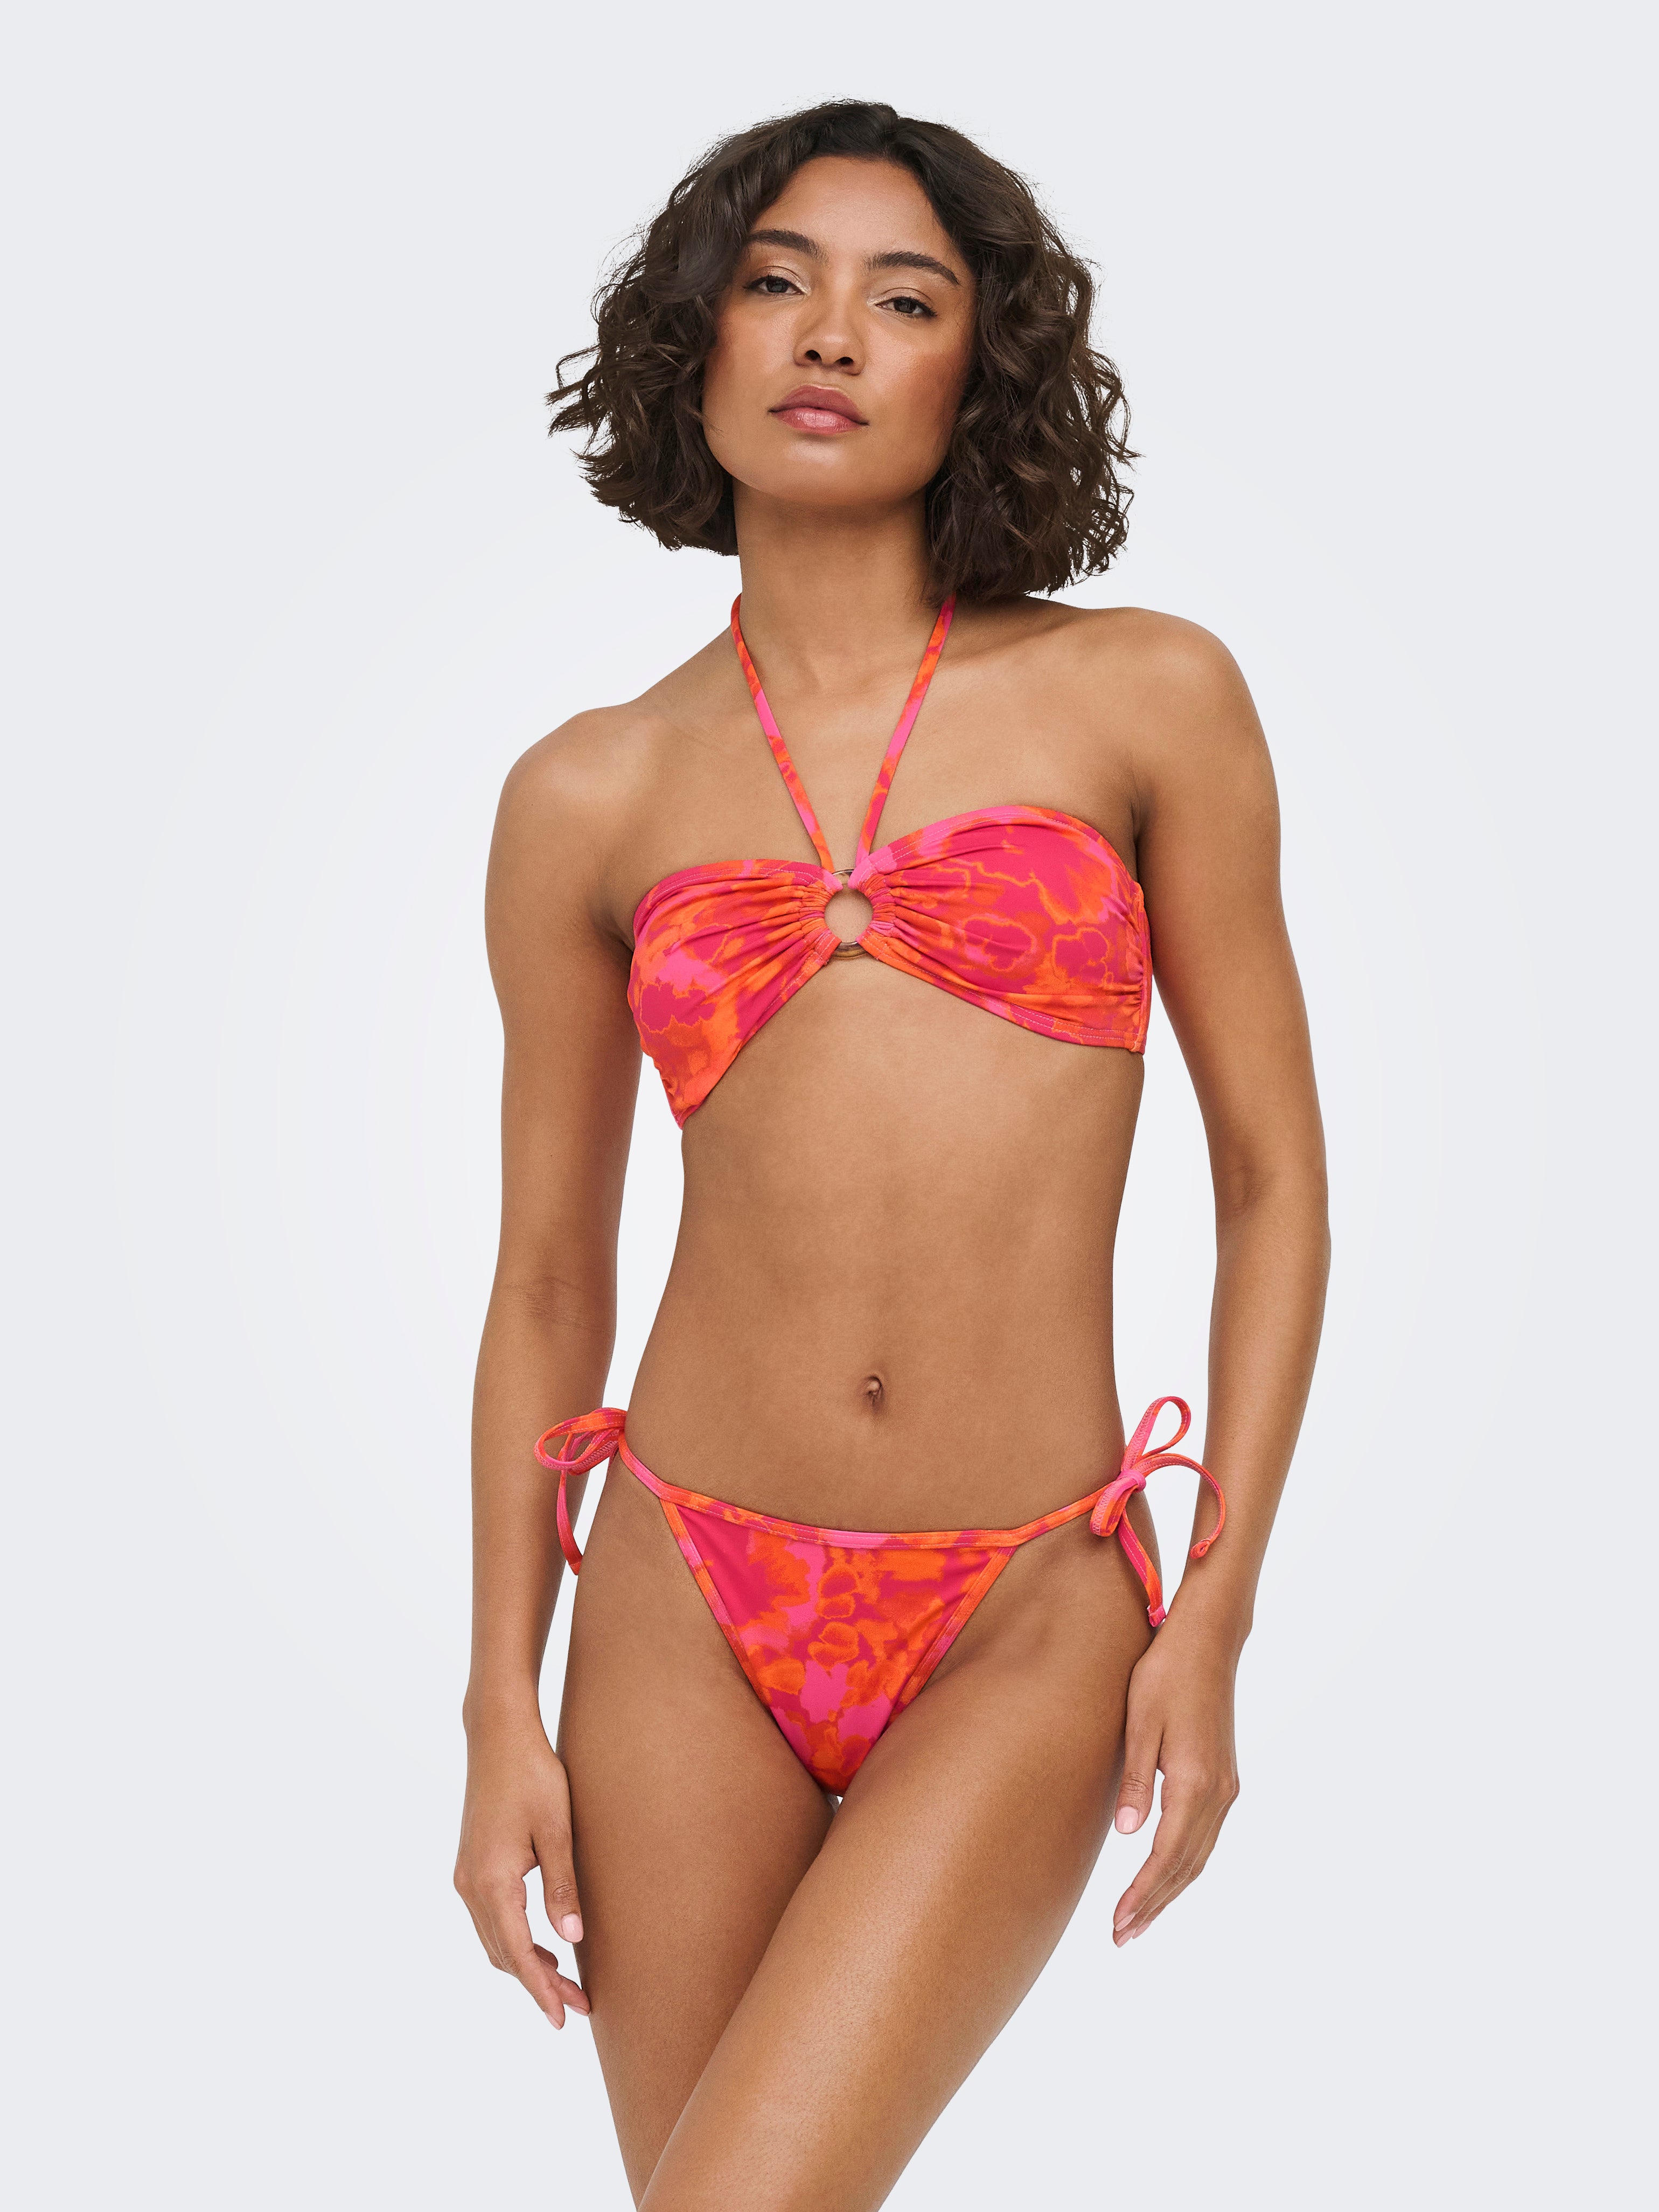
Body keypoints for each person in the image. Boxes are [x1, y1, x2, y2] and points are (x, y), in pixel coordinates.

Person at [454, 99, 1328, 2211]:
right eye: (776, 280)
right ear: (697, 340)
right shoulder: (585, 793)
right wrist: (498, 1706)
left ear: (979, 368)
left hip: (1023, 1603)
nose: (830, 333)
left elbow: (1271, 1179)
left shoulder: (1145, 697)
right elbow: (548, 1277)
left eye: (904, 297)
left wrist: (1211, 1617)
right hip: (678, 1603)